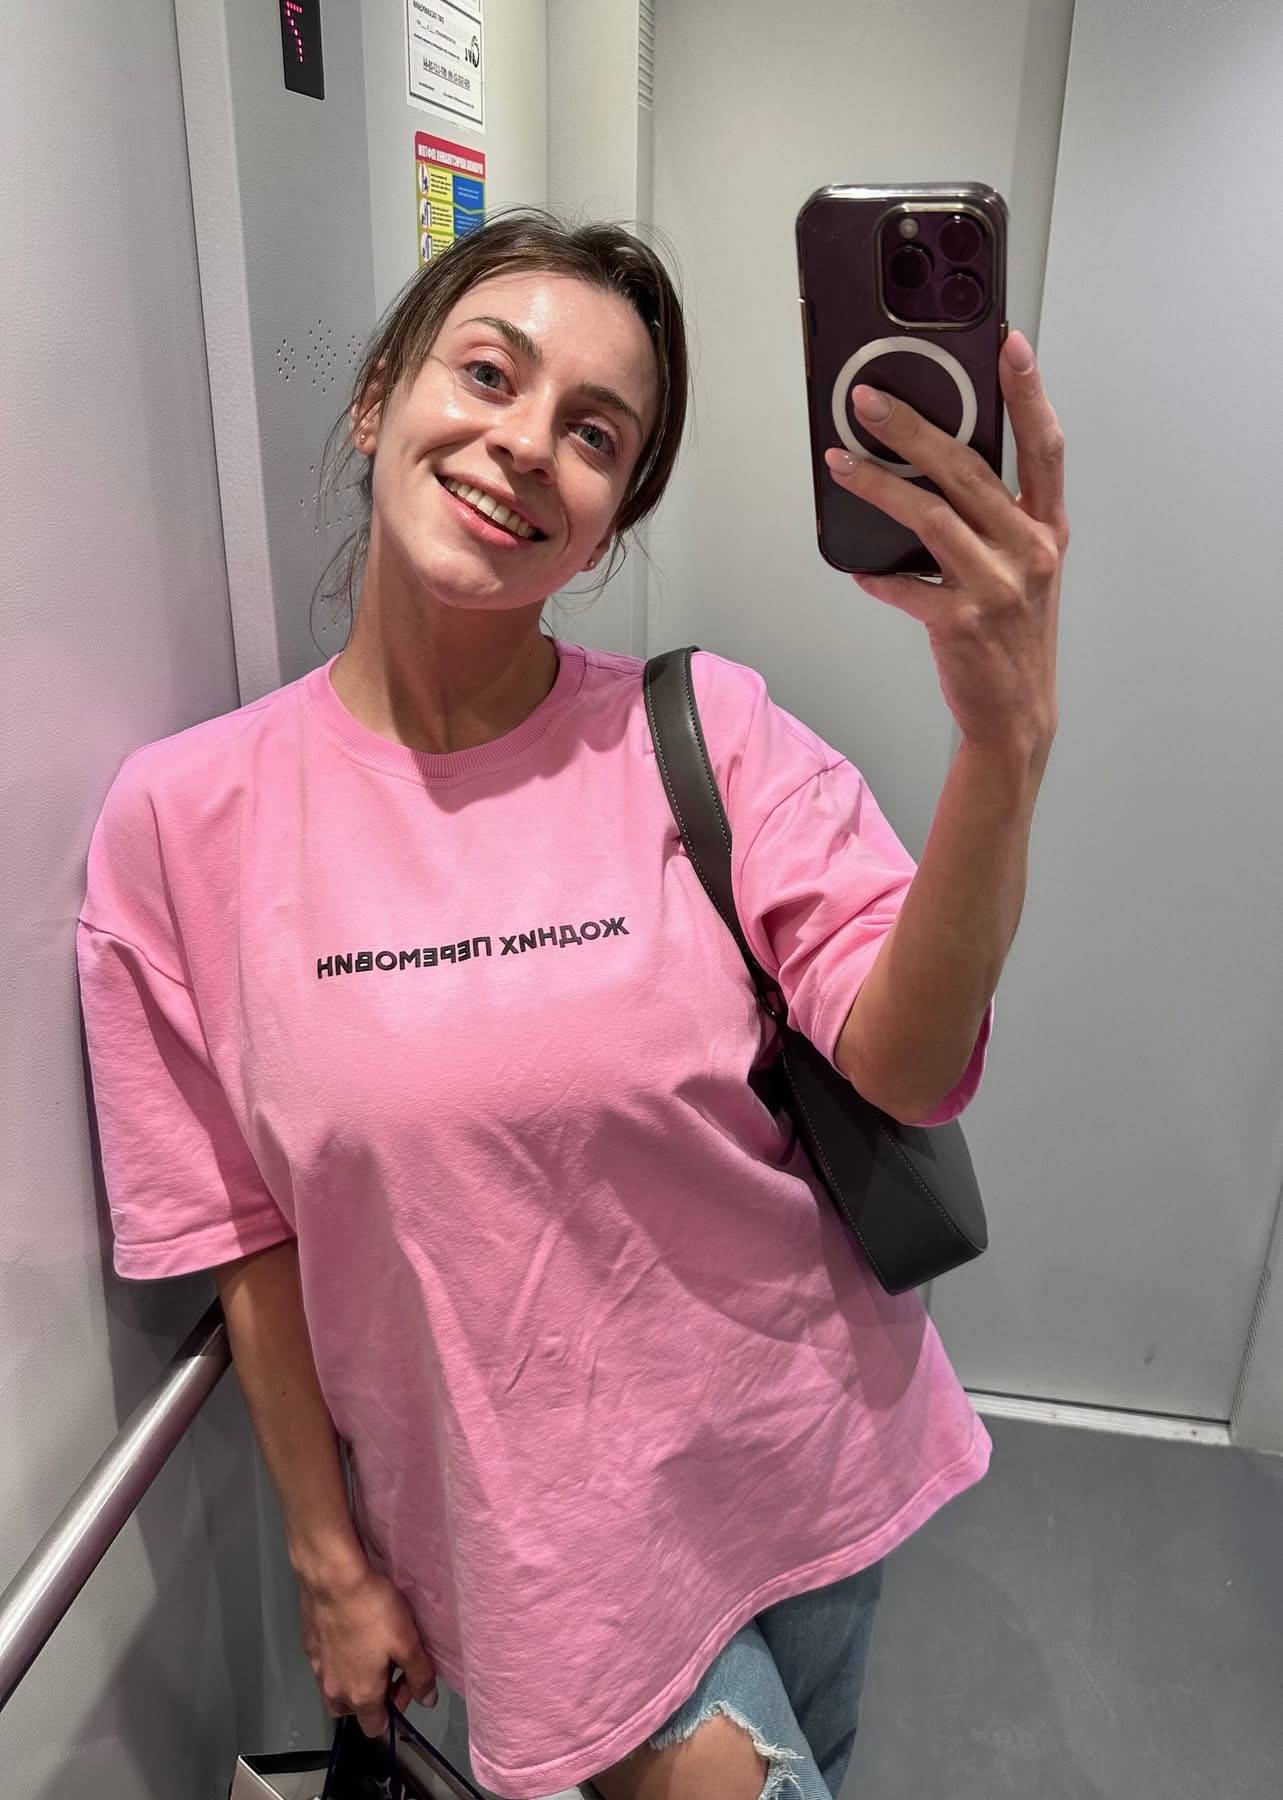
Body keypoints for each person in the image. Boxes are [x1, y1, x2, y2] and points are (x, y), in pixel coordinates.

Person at [76, 207, 1066, 1799]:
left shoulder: (707, 732)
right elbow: (237, 1227)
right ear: (380, 400)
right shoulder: (184, 824)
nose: (529, 443)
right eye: (490, 374)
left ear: (603, 530)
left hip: (809, 1443)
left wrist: (1001, 749)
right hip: (542, 1550)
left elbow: (908, 1063)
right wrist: (327, 1557)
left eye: (596, 435)